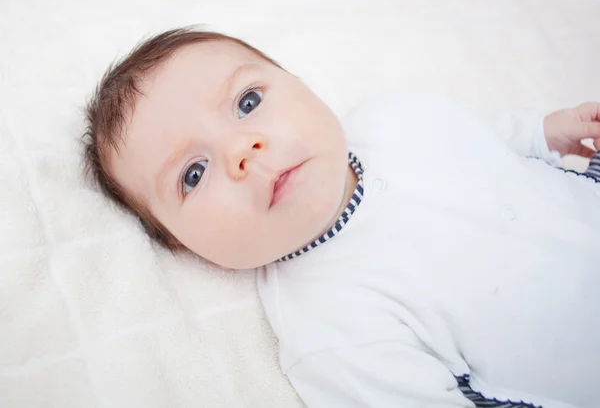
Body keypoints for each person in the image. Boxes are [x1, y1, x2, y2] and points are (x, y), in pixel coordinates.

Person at [82, 27, 600, 408]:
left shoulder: (393, 114)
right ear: (184, 246)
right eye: (193, 174)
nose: (243, 148)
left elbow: (475, 135)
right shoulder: (329, 328)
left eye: (248, 101)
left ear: (300, 83)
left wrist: (540, 132)